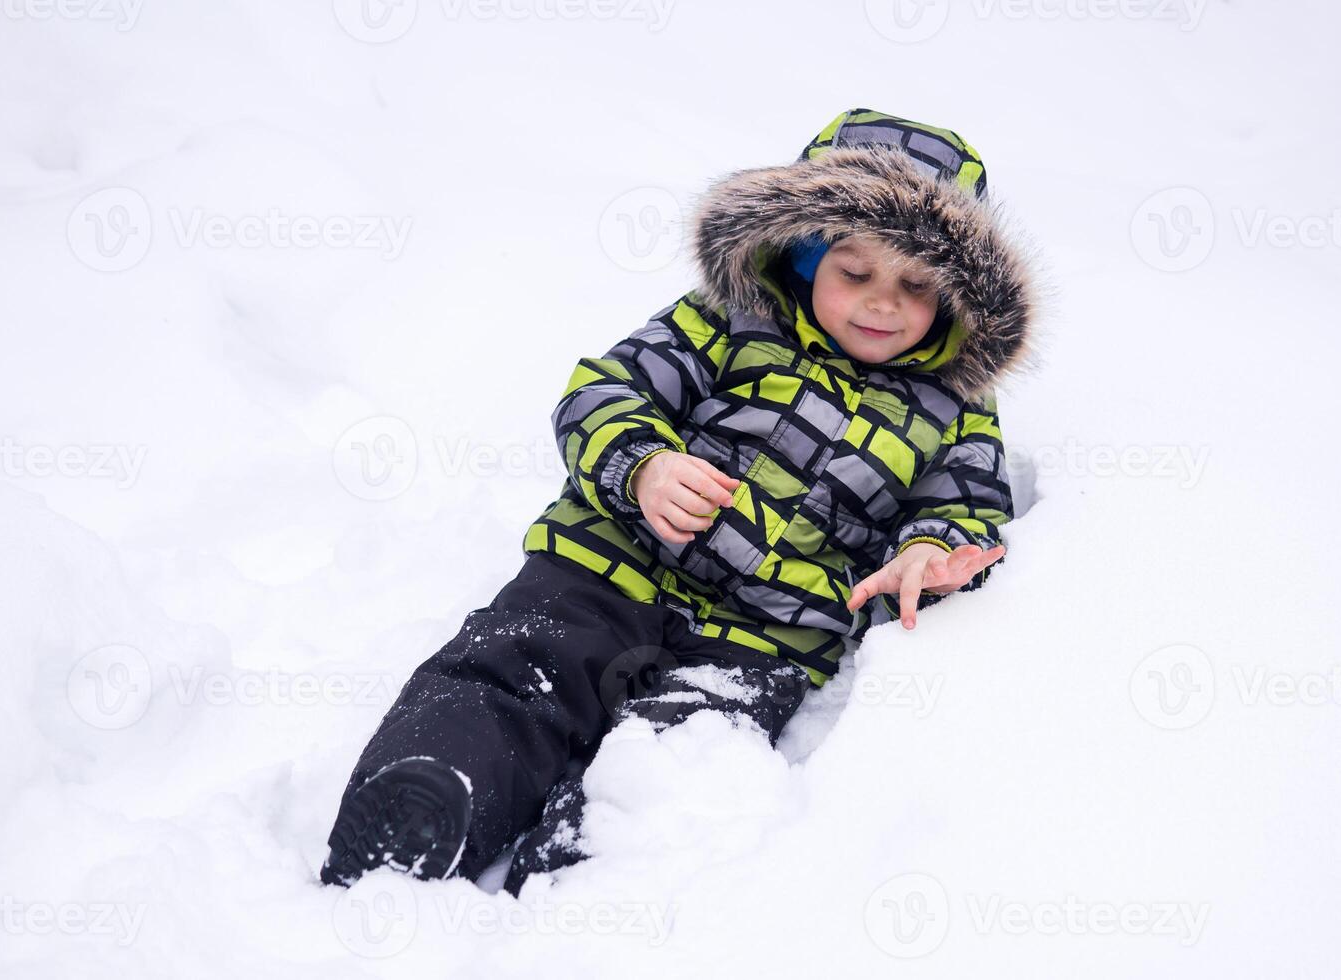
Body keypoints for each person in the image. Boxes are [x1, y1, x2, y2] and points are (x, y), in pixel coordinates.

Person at [318, 107, 1034, 897]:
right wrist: (645, 465)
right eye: (854, 272)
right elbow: (607, 389)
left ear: (961, 296)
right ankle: (430, 791)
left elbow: (963, 500)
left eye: (917, 285)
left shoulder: (957, 405)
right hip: (613, 563)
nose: (881, 304)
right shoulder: (730, 321)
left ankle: (588, 873)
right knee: (526, 666)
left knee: (690, 744)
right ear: (802, 256)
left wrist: (928, 554)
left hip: (768, 631)